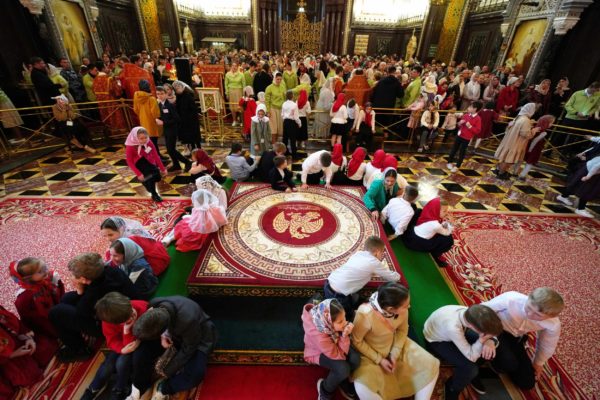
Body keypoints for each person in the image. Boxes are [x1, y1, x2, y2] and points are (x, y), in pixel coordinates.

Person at [352, 283, 440, 400]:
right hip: (370, 354)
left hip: (396, 344)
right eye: (405, 306)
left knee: (432, 365)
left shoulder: (403, 310)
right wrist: (379, 360)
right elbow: (356, 341)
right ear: (390, 309)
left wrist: (394, 353)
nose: (408, 307)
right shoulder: (365, 314)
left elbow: (402, 331)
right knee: (363, 388)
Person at [49, 253, 138, 363]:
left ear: (83, 279)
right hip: (126, 305)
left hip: (114, 323)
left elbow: (82, 312)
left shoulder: (93, 293)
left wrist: (79, 290)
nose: (72, 277)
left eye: (74, 276)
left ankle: (79, 350)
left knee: (56, 312)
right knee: (66, 299)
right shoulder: (111, 270)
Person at [133, 296, 217, 399]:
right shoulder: (154, 304)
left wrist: (167, 371)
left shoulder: (187, 320)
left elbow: (189, 349)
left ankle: (164, 387)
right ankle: (141, 387)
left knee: (195, 374)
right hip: (172, 333)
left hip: (198, 337)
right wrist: (163, 336)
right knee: (140, 352)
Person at [482, 288, 564, 390]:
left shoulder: (553, 324)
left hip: (516, 338)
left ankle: (497, 360)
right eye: (529, 307)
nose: (529, 314)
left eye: (538, 315)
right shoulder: (512, 298)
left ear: (550, 317)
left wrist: (538, 363)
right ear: (528, 297)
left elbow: (547, 344)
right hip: (494, 328)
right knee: (508, 363)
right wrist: (490, 337)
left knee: (527, 382)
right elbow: (482, 311)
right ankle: (484, 362)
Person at [424, 304, 504, 400]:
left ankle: (469, 376)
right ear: (473, 326)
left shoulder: (471, 313)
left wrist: (491, 340)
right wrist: (482, 340)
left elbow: (493, 335)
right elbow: (471, 356)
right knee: (470, 368)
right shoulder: (453, 327)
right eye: (486, 333)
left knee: (488, 350)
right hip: (436, 341)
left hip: (453, 332)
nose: (488, 335)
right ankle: (452, 387)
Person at [81, 293, 148, 400]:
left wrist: (127, 331)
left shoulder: (143, 307)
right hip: (124, 345)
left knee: (122, 363)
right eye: (126, 320)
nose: (132, 316)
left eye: (131, 311)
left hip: (138, 344)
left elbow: (133, 342)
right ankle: (92, 389)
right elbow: (111, 341)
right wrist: (121, 349)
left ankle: (119, 389)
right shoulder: (108, 322)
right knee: (107, 367)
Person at [324, 236, 400, 319]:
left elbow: (358, 269)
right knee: (349, 316)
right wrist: (398, 275)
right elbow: (393, 278)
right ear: (377, 252)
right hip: (339, 297)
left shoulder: (358, 253)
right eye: (382, 252)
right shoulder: (374, 262)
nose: (382, 255)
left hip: (328, 283)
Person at [302, 298, 360, 400]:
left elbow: (339, 348)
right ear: (328, 322)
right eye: (340, 321)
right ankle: (325, 389)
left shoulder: (326, 320)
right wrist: (345, 335)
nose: (345, 323)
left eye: (344, 317)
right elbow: (339, 354)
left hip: (335, 342)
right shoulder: (319, 337)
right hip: (317, 352)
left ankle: (341, 379)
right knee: (343, 369)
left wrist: (343, 333)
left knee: (355, 359)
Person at [0, 306, 47, 398]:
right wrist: (12, 355)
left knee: (45, 351)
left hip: (13, 344)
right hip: (5, 358)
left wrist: (27, 337)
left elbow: (13, 324)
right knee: (24, 378)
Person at [101, 216, 170, 276]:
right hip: (158, 253)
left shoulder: (128, 241)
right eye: (105, 236)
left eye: (111, 235)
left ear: (121, 229)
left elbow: (116, 260)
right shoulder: (129, 233)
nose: (108, 239)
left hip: (154, 263)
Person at [402, 197, 454, 267]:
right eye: (444, 211)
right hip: (416, 243)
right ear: (436, 210)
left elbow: (438, 226)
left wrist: (445, 222)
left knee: (419, 211)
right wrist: (450, 223)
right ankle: (435, 256)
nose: (446, 213)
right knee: (448, 239)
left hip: (410, 234)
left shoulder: (428, 212)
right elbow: (447, 233)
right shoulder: (435, 225)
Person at [493, 103, 538, 179]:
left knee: (505, 158)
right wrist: (533, 131)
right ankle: (501, 174)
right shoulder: (526, 120)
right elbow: (525, 134)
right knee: (508, 160)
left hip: (509, 140)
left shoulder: (519, 117)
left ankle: (499, 170)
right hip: (516, 143)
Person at [125, 126, 167, 202]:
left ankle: (145, 181)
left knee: (157, 176)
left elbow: (156, 155)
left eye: (145, 137)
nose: (144, 140)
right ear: (135, 138)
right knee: (150, 177)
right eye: (141, 138)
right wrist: (138, 174)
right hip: (138, 162)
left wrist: (162, 168)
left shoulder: (148, 142)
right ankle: (154, 194)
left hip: (149, 160)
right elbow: (129, 162)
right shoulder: (130, 146)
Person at [556, 147, 600, 218]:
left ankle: (563, 196)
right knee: (587, 189)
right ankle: (580, 209)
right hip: (591, 170)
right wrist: (588, 176)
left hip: (590, 168)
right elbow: (596, 166)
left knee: (576, 184)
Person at [157, 86, 191, 172]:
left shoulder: (169, 105)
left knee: (171, 149)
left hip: (172, 130)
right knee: (169, 150)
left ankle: (187, 162)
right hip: (166, 130)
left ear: (166, 94)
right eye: (158, 94)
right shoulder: (160, 104)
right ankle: (176, 164)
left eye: (162, 94)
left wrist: (164, 122)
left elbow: (177, 119)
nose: (160, 96)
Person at [560, 81, 600, 152]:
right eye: (595, 90)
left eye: (597, 91)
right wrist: (576, 113)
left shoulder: (597, 95)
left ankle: (565, 153)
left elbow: (596, 107)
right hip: (570, 118)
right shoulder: (577, 93)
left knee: (572, 138)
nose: (596, 92)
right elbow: (567, 105)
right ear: (591, 87)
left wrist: (590, 113)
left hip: (582, 120)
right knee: (560, 135)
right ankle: (548, 152)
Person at [446, 101, 482, 173]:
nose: (468, 108)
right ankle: (449, 162)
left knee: (462, 152)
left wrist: (470, 126)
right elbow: (459, 125)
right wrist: (460, 123)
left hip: (466, 138)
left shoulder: (478, 119)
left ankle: (457, 166)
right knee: (454, 149)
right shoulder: (466, 115)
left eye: (470, 107)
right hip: (459, 135)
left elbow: (477, 131)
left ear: (475, 109)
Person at [133, 80, 164, 160]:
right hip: (152, 122)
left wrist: (142, 115)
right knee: (154, 142)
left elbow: (135, 110)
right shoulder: (151, 98)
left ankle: (154, 156)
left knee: (148, 142)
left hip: (143, 122)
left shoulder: (136, 97)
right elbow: (155, 113)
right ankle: (157, 157)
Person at [519, 115, 556, 180]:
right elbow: (535, 141)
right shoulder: (543, 132)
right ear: (546, 122)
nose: (552, 124)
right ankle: (522, 175)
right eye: (551, 123)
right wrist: (530, 150)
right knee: (530, 163)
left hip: (528, 147)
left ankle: (515, 172)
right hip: (534, 150)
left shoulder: (535, 127)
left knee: (521, 160)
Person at [173, 80, 201, 153]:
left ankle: (199, 149)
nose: (177, 90)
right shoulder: (178, 97)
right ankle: (193, 149)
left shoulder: (188, 95)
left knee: (195, 136)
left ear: (182, 87)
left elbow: (193, 109)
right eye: (176, 89)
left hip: (191, 120)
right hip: (184, 120)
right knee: (189, 138)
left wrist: (191, 118)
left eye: (178, 88)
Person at [265, 72, 287, 143]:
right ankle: (274, 144)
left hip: (281, 109)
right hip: (272, 109)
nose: (279, 81)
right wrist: (268, 111)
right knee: (273, 128)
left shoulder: (283, 87)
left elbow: (285, 99)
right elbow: (267, 100)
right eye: (278, 79)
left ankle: (276, 144)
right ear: (274, 78)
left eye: (280, 79)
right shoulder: (269, 88)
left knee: (279, 128)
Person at [282, 90, 302, 158]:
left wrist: (285, 120)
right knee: (293, 138)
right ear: (292, 96)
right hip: (292, 122)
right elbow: (296, 116)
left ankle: (285, 152)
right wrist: (299, 123)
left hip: (285, 121)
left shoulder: (284, 104)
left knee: (285, 138)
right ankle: (294, 154)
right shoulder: (294, 105)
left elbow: (282, 114)